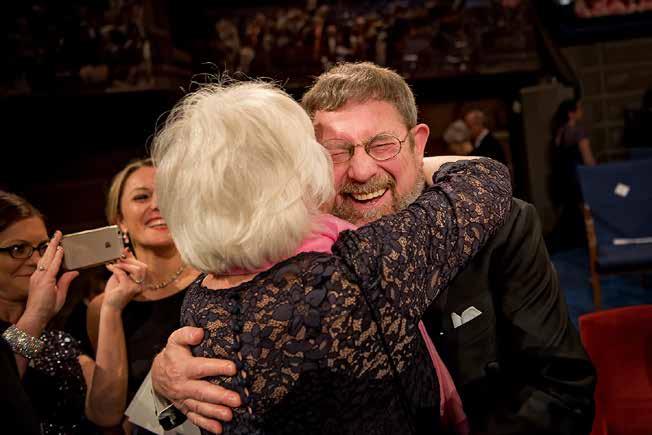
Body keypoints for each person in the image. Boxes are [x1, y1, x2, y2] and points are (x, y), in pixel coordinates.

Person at [151, 62, 596, 435]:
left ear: (419, 143)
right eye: (337, 152)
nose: (363, 171)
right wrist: (161, 382)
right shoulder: (280, 261)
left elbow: (561, 389)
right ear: (308, 166)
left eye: (382, 144)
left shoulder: (503, 224)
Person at [0, 190, 146, 434]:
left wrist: (111, 306)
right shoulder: (35, 328)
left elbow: (106, 415)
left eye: (43, 248)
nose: (38, 261)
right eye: (18, 249)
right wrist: (36, 315)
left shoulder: (58, 340)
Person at [86, 158, 201, 432]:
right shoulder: (102, 307)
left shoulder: (215, 278)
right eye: (142, 197)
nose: (157, 205)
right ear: (120, 221)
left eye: (169, 194)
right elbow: (107, 415)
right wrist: (112, 311)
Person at [549, 98, 596, 250]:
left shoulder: (559, 131)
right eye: (579, 109)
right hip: (578, 177)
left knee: (571, 212)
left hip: (563, 178)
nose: (582, 112)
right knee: (586, 213)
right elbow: (588, 158)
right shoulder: (578, 131)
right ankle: (590, 244)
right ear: (571, 113)